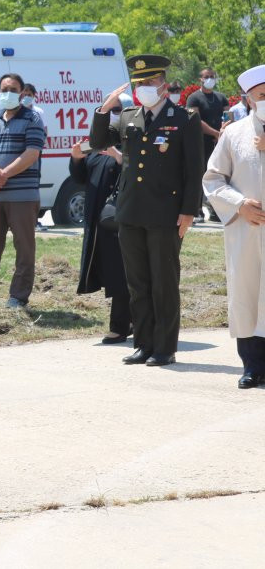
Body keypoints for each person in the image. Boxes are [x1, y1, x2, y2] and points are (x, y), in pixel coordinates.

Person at [90, 55, 203, 367]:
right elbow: (97, 141)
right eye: (139, 83)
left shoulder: (184, 118)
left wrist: (189, 211)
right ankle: (143, 344)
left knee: (163, 282)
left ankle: (164, 347)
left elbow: (194, 169)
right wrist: (103, 109)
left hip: (166, 213)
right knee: (137, 284)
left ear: (163, 84)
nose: (144, 88)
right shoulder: (127, 117)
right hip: (131, 211)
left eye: (150, 82)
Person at [203, 64, 265, 389]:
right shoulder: (233, 133)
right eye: (262, 95)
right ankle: (252, 366)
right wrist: (240, 205)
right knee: (247, 293)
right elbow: (213, 178)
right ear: (250, 99)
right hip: (247, 230)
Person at [0, 73, 46, 309]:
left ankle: (18, 297)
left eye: (13, 89)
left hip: (22, 196)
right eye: (4, 89)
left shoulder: (33, 118)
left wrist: (3, 174)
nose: (8, 93)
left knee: (24, 248)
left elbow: (32, 153)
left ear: (22, 92)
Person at [70, 93, 132, 344]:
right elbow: (80, 175)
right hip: (98, 221)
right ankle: (131, 320)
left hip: (123, 218)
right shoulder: (96, 141)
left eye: (116, 109)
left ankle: (120, 325)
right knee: (109, 272)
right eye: (107, 110)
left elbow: (141, 169)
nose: (111, 114)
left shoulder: (135, 136)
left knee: (124, 273)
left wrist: (118, 157)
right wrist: (76, 157)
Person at [187, 67, 229, 223]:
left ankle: (216, 211)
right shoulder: (194, 98)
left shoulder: (221, 97)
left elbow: (227, 116)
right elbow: (196, 120)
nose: (210, 79)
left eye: (212, 76)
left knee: (221, 175)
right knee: (199, 175)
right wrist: (216, 133)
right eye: (207, 76)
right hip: (201, 142)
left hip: (220, 142)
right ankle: (196, 209)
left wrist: (224, 134)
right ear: (201, 79)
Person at [21, 83, 50, 233]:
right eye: (23, 93)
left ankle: (34, 220)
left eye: (29, 94)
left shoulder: (38, 112)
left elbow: (44, 131)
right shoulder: (15, 111)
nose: (26, 97)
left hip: (34, 155)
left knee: (33, 186)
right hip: (18, 155)